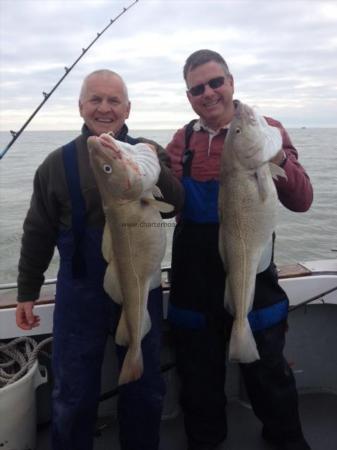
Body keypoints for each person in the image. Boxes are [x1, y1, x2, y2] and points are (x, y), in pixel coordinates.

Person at [15, 69, 184, 450]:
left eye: (113, 100)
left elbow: (175, 205)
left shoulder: (148, 152)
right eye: (95, 99)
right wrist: (27, 290)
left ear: (127, 108)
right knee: (72, 391)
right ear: (80, 106)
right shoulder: (56, 165)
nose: (104, 108)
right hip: (80, 292)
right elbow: (38, 230)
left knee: (144, 388)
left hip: (141, 282)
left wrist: (154, 168)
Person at [166, 50, 313, 450]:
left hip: (254, 270)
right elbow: (164, 203)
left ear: (231, 81)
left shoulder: (268, 131)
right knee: (198, 380)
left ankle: (286, 441)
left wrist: (278, 156)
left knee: (270, 375)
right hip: (194, 283)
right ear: (189, 95)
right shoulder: (183, 139)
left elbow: (302, 201)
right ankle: (205, 442)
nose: (209, 93)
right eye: (198, 88)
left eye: (216, 82)